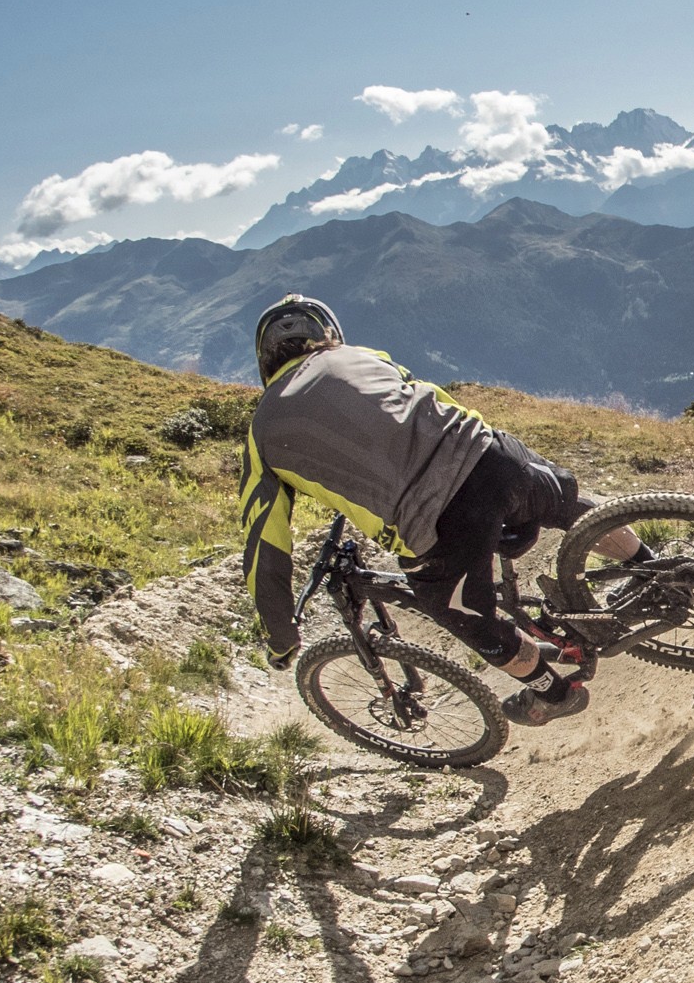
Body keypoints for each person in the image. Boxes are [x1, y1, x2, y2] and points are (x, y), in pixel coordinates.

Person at [237, 295, 639, 725]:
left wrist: (282, 638)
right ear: (326, 334)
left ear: (265, 359)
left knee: (463, 614)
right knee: (563, 503)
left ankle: (555, 693)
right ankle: (652, 568)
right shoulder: (361, 356)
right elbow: (429, 400)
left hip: (437, 520)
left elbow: (264, 546)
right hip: (489, 452)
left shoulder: (262, 432)